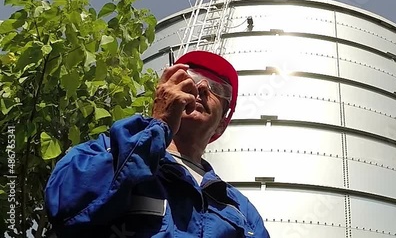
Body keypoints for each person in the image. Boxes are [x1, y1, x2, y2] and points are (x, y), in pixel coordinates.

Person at [45, 51, 270, 238]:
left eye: (217, 88)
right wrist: (159, 124)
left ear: (222, 124)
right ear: (165, 93)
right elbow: (65, 207)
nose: (200, 87)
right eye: (189, 78)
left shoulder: (241, 210)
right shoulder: (106, 151)